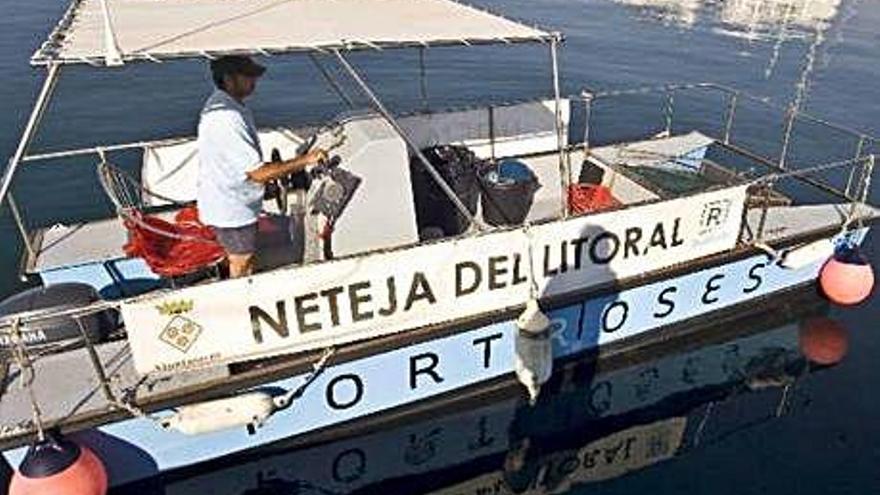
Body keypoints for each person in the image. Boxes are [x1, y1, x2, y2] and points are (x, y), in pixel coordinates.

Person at [197, 55, 326, 278]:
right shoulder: (228, 117)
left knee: (242, 257)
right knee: (242, 261)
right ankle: (242, 302)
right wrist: (305, 161)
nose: (254, 81)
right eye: (248, 76)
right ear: (229, 79)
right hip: (233, 209)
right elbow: (257, 173)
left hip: (229, 198)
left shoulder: (226, 106)